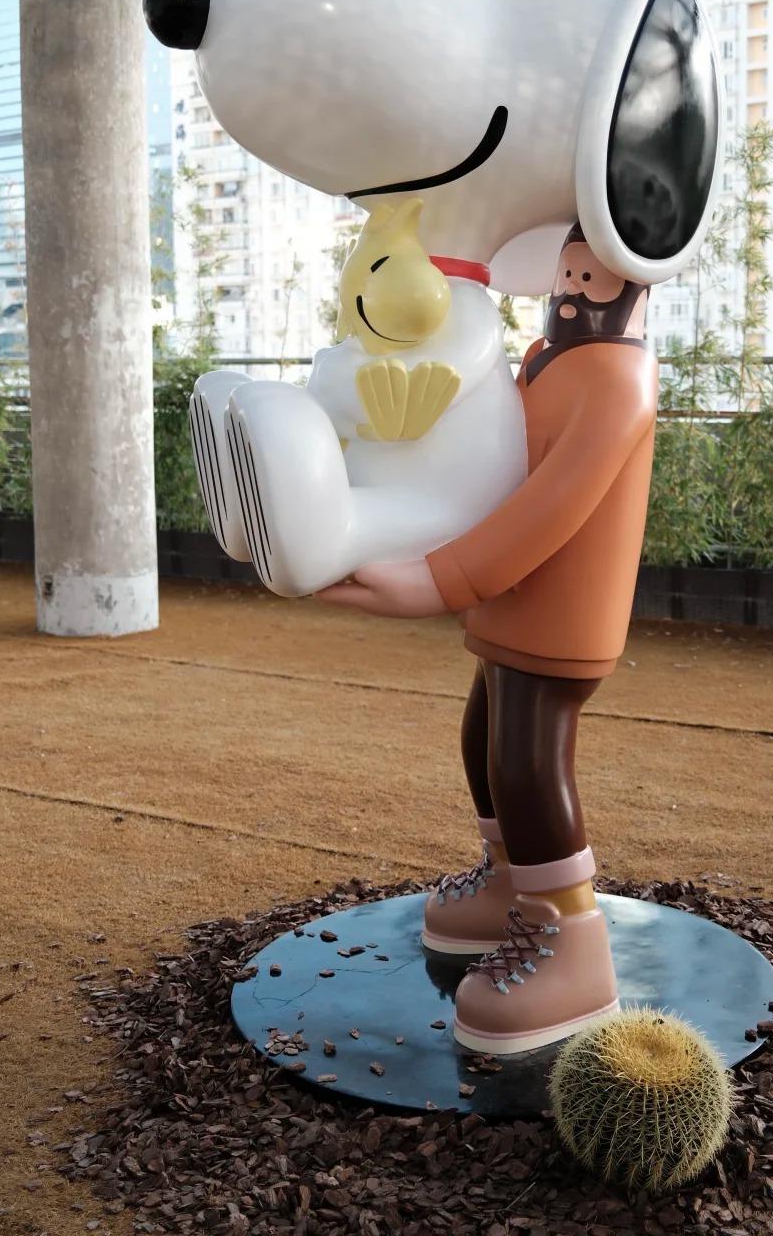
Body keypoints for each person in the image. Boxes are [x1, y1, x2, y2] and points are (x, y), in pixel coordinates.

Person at [319, 221, 658, 1054]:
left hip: (565, 606)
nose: (572, 292)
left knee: (529, 762)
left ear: (635, 288)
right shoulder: (542, 359)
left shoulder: (618, 379)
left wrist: (436, 580)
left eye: (592, 279)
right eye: (568, 274)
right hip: (508, 602)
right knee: (484, 742)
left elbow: (547, 511)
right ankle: (512, 885)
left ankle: (571, 945)